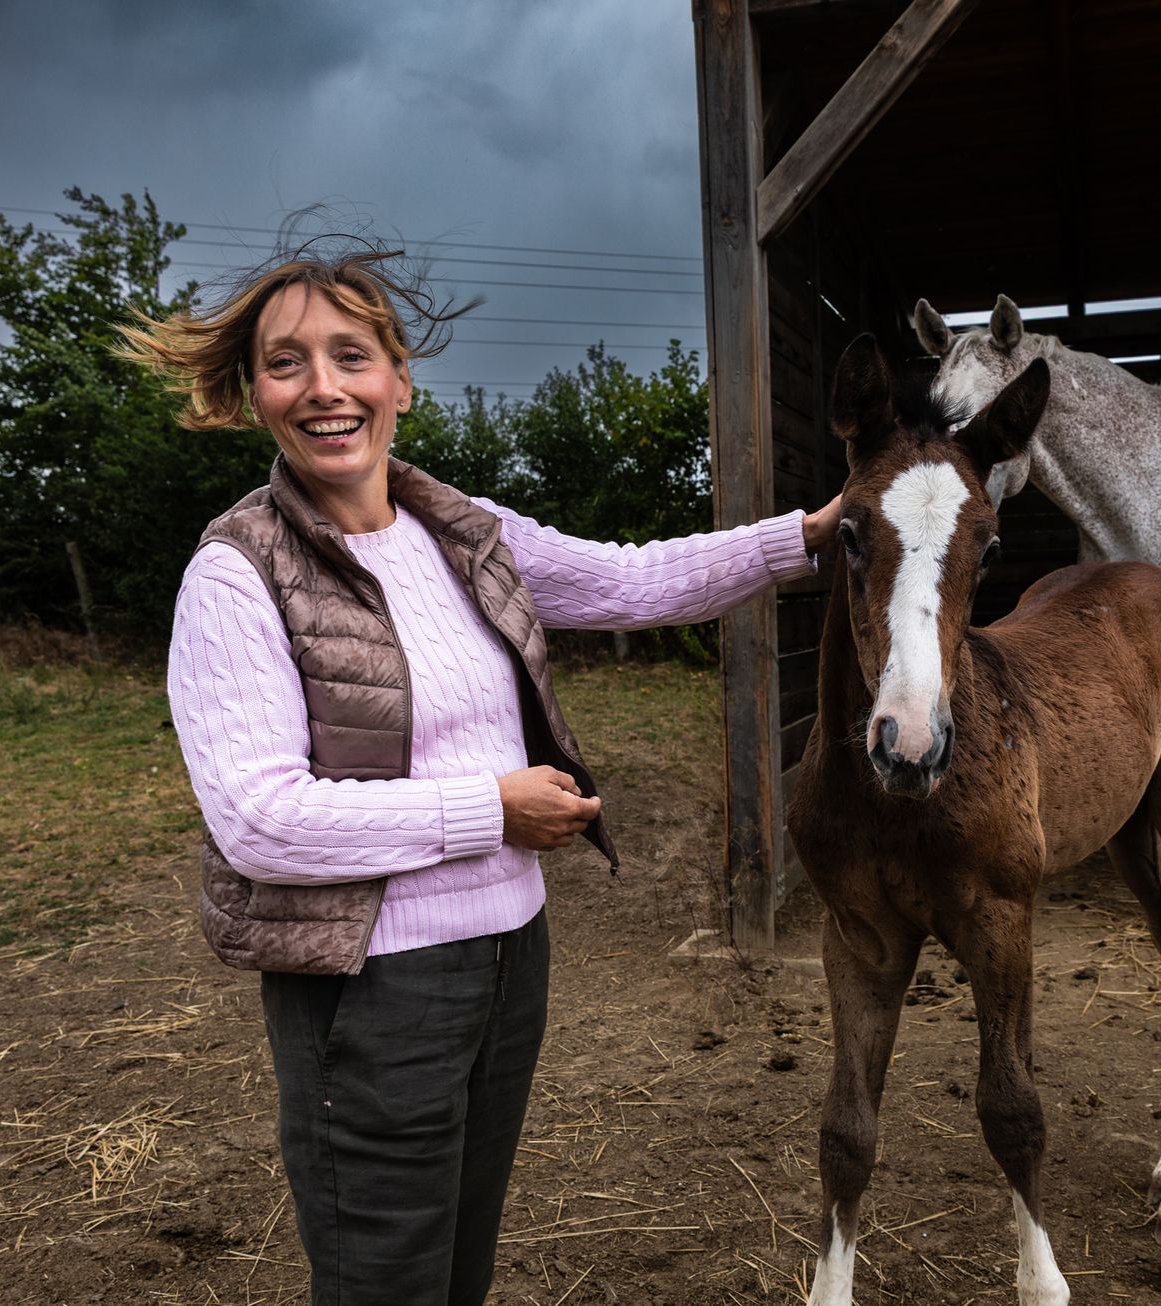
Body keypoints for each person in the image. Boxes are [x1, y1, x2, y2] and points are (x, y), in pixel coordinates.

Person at [116, 246, 839, 1304]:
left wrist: (804, 539)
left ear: (398, 380)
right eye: (286, 363)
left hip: (509, 961)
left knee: (457, 1271)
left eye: (349, 355)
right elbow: (260, 822)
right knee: (384, 1281)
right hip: (369, 988)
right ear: (253, 394)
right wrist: (490, 805)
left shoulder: (461, 533)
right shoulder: (239, 570)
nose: (322, 385)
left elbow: (631, 578)